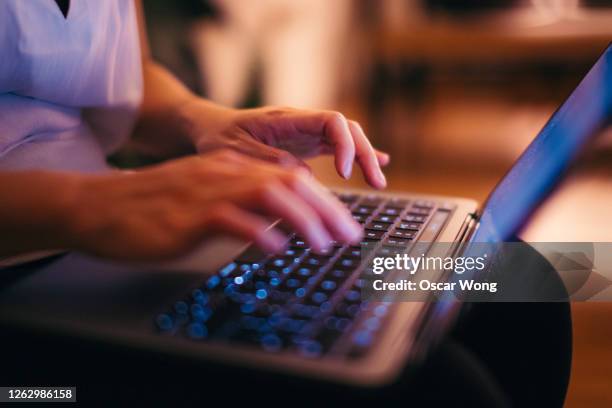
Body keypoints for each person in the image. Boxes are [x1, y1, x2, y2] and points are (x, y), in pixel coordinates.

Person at [0, 0, 389, 264]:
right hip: (25, 269)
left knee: (420, 292)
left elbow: (127, 73)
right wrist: (94, 203)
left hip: (101, 239)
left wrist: (205, 119)